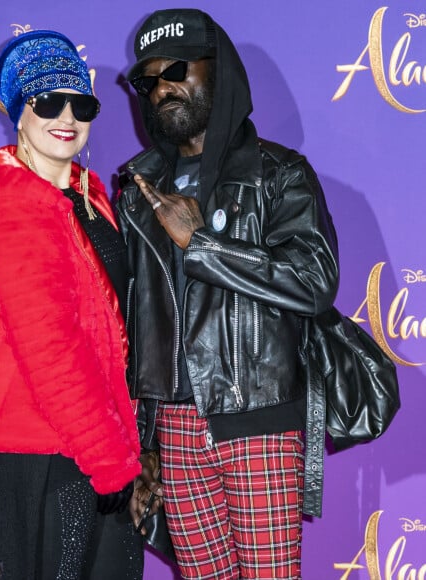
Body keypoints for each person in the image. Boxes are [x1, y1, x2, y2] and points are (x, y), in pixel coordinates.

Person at [118, 9, 339, 580]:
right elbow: (136, 319)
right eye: (148, 80)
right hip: (175, 427)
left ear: (220, 73)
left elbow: (314, 279)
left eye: (176, 69)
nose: (163, 86)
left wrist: (204, 244)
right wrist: (144, 444)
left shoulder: (278, 173)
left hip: (257, 415)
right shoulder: (138, 189)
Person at [0, 29, 143, 579]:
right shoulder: (16, 208)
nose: (67, 115)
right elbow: (52, 349)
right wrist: (108, 461)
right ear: (19, 111)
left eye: (82, 102)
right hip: (36, 452)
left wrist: (121, 449)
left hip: (84, 444)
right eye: (48, 100)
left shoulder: (90, 199)